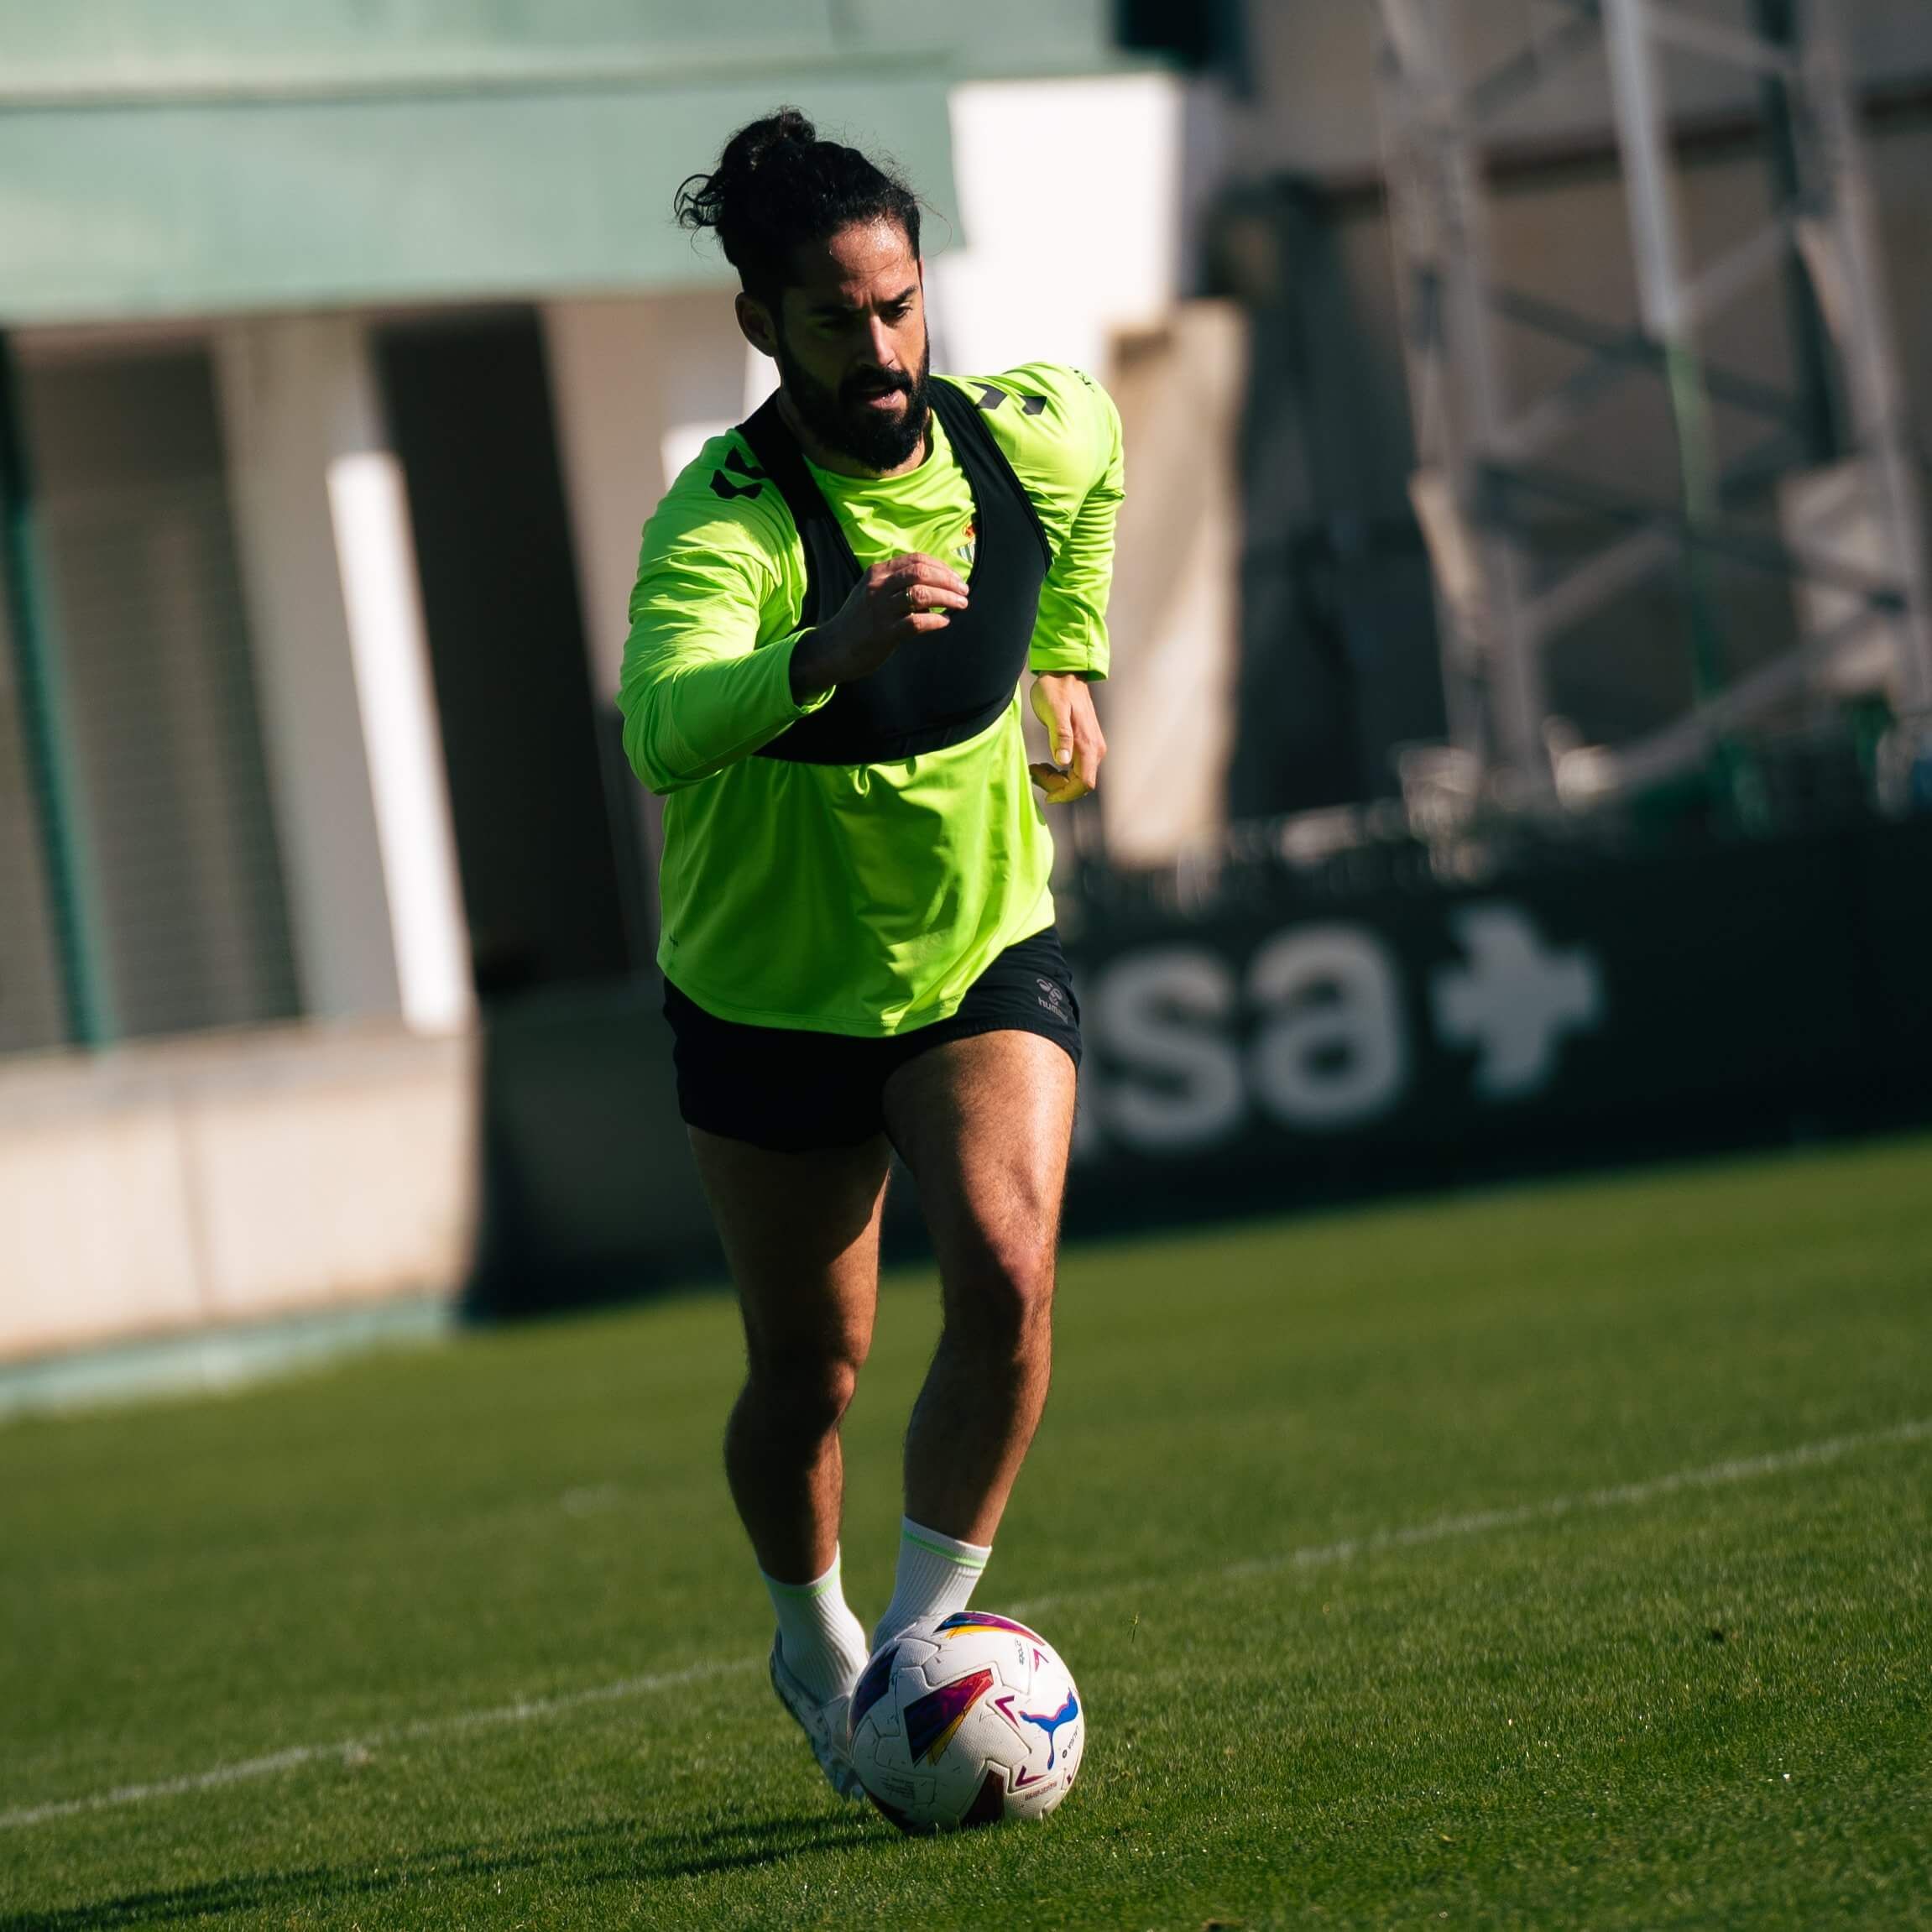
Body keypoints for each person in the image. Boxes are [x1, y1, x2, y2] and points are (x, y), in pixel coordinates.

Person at [617, 107, 1123, 1799]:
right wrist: (820, 650)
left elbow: (1103, 445)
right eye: (837, 317)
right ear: (763, 320)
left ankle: (914, 1661)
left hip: (979, 946)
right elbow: (660, 724)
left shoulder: (1018, 436)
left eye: (899, 303)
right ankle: (809, 1629)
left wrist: (1070, 658)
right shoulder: (729, 521)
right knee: (806, 1370)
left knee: (1004, 1258)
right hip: (767, 993)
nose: (883, 345)